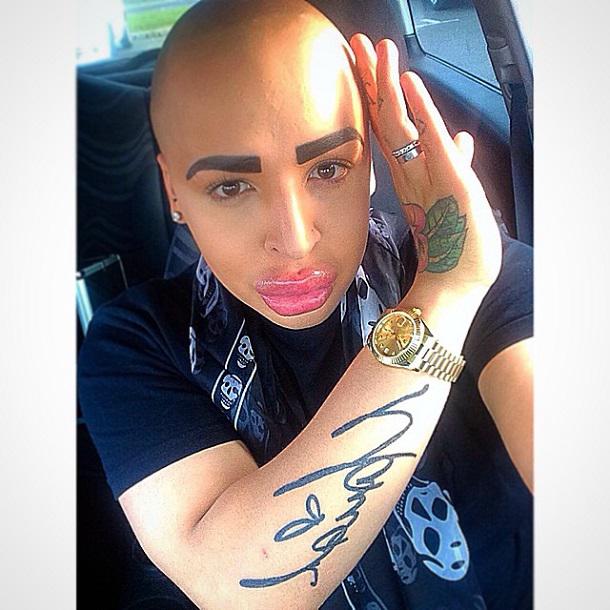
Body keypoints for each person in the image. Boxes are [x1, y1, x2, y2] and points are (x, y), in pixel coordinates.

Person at [78, 0, 533, 608]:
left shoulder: (483, 275)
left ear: (371, 165)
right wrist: (443, 297)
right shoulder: (135, 346)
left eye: (328, 169)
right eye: (231, 186)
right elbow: (238, 587)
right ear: (173, 191)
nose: (295, 241)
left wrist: (452, 281)